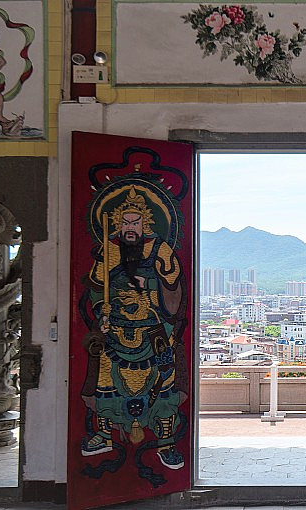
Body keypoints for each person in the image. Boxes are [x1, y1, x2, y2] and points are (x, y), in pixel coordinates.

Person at [81, 186, 188, 469]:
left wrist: (148, 282)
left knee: (164, 376)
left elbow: (173, 285)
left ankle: (166, 442)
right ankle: (104, 434)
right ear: (118, 223)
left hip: (152, 326)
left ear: (146, 224)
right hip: (115, 327)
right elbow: (95, 287)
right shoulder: (110, 248)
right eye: (125, 222)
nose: (130, 228)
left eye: (136, 222)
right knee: (105, 375)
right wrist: (100, 309)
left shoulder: (159, 248)